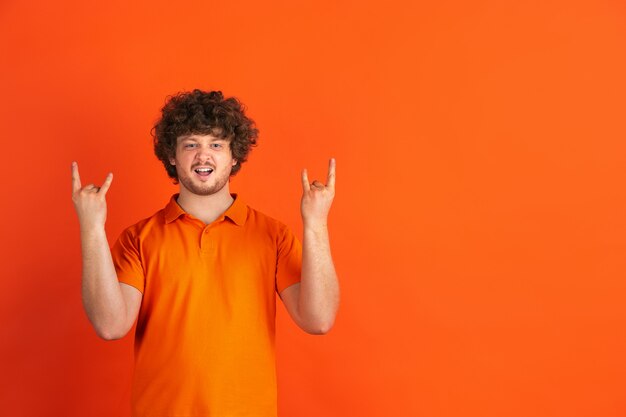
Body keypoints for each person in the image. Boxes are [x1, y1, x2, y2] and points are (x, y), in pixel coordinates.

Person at [71, 89, 340, 417]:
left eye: (216, 145)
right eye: (191, 145)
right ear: (172, 155)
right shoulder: (139, 238)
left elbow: (319, 319)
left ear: (234, 156)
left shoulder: (273, 235)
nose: (203, 156)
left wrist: (316, 223)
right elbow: (110, 325)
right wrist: (92, 228)